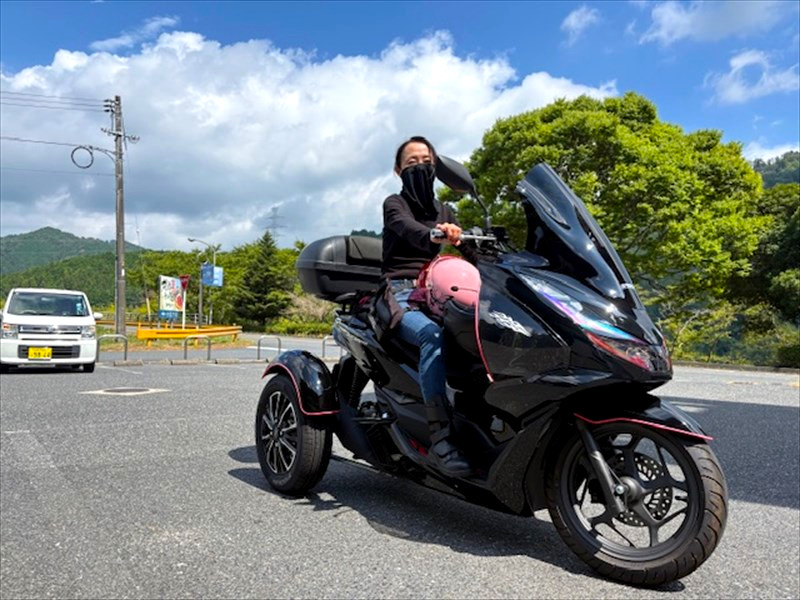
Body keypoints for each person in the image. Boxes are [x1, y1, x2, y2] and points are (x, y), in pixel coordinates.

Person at [381, 136, 471, 477]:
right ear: (398, 170)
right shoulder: (394, 204)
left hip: (436, 291)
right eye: (411, 163)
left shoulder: (445, 211)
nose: (420, 167)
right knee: (431, 335)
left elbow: (468, 246)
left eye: (426, 161)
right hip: (401, 292)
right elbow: (409, 230)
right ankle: (440, 437)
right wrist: (436, 234)